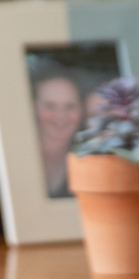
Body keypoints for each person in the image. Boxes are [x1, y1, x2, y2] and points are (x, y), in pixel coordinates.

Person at [32, 67, 85, 198]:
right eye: (50, 106)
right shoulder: (13, 157)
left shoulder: (89, 162)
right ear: (33, 107)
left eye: (70, 106)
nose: (61, 116)